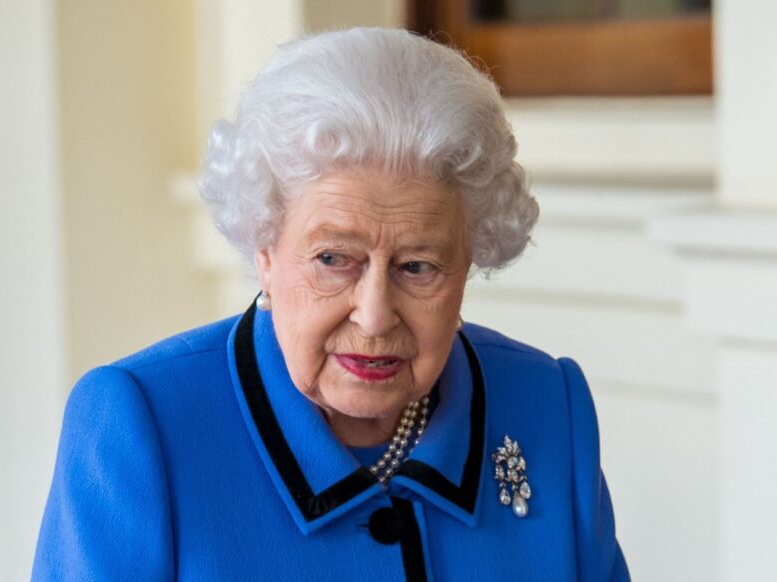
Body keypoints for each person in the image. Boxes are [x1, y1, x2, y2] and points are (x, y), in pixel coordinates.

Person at [32, 27, 629, 581]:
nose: (374, 315)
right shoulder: (142, 427)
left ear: (469, 262)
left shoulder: (548, 407)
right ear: (264, 246)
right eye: (334, 260)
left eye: (417, 267)